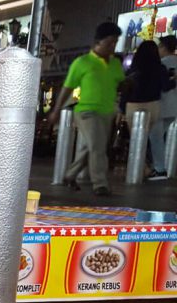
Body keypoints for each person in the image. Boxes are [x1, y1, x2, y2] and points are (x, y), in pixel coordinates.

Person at [48, 22, 125, 196]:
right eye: (110, 42)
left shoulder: (115, 64)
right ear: (99, 41)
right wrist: (56, 110)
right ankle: (100, 184)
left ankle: (70, 175)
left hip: (106, 112)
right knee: (98, 146)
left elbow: (120, 83)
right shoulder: (82, 62)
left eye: (115, 42)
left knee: (92, 146)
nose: (113, 46)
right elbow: (67, 88)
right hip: (86, 111)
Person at [120, 40, 174, 178]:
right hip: (153, 105)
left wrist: (122, 110)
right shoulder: (159, 68)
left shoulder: (133, 69)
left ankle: (140, 169)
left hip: (132, 106)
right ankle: (153, 169)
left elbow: (125, 91)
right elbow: (166, 87)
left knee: (136, 139)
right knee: (153, 137)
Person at [148, 35, 177, 180]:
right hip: (174, 107)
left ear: (164, 48)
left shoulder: (161, 64)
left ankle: (160, 169)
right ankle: (164, 167)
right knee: (167, 138)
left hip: (161, 105)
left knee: (156, 137)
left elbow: (162, 86)